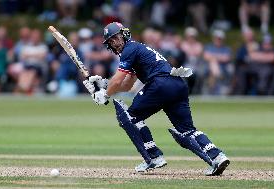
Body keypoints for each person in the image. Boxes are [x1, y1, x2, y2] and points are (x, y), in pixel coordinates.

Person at [83, 22, 230, 176]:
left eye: (116, 38)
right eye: (111, 41)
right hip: (177, 84)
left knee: (127, 117)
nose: (114, 43)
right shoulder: (137, 49)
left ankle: (153, 156)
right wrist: (104, 84)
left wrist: (105, 94)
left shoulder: (130, 49)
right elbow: (126, 85)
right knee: (187, 130)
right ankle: (217, 157)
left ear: (124, 34)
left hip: (160, 84)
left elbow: (118, 80)